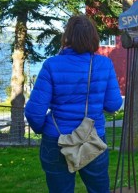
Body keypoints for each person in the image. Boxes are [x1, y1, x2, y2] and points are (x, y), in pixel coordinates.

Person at [25, 15, 122, 193]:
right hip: (92, 138)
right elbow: (114, 104)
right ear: (93, 37)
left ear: (67, 36)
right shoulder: (104, 64)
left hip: (57, 140)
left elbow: (34, 112)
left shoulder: (51, 65)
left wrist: (45, 129)